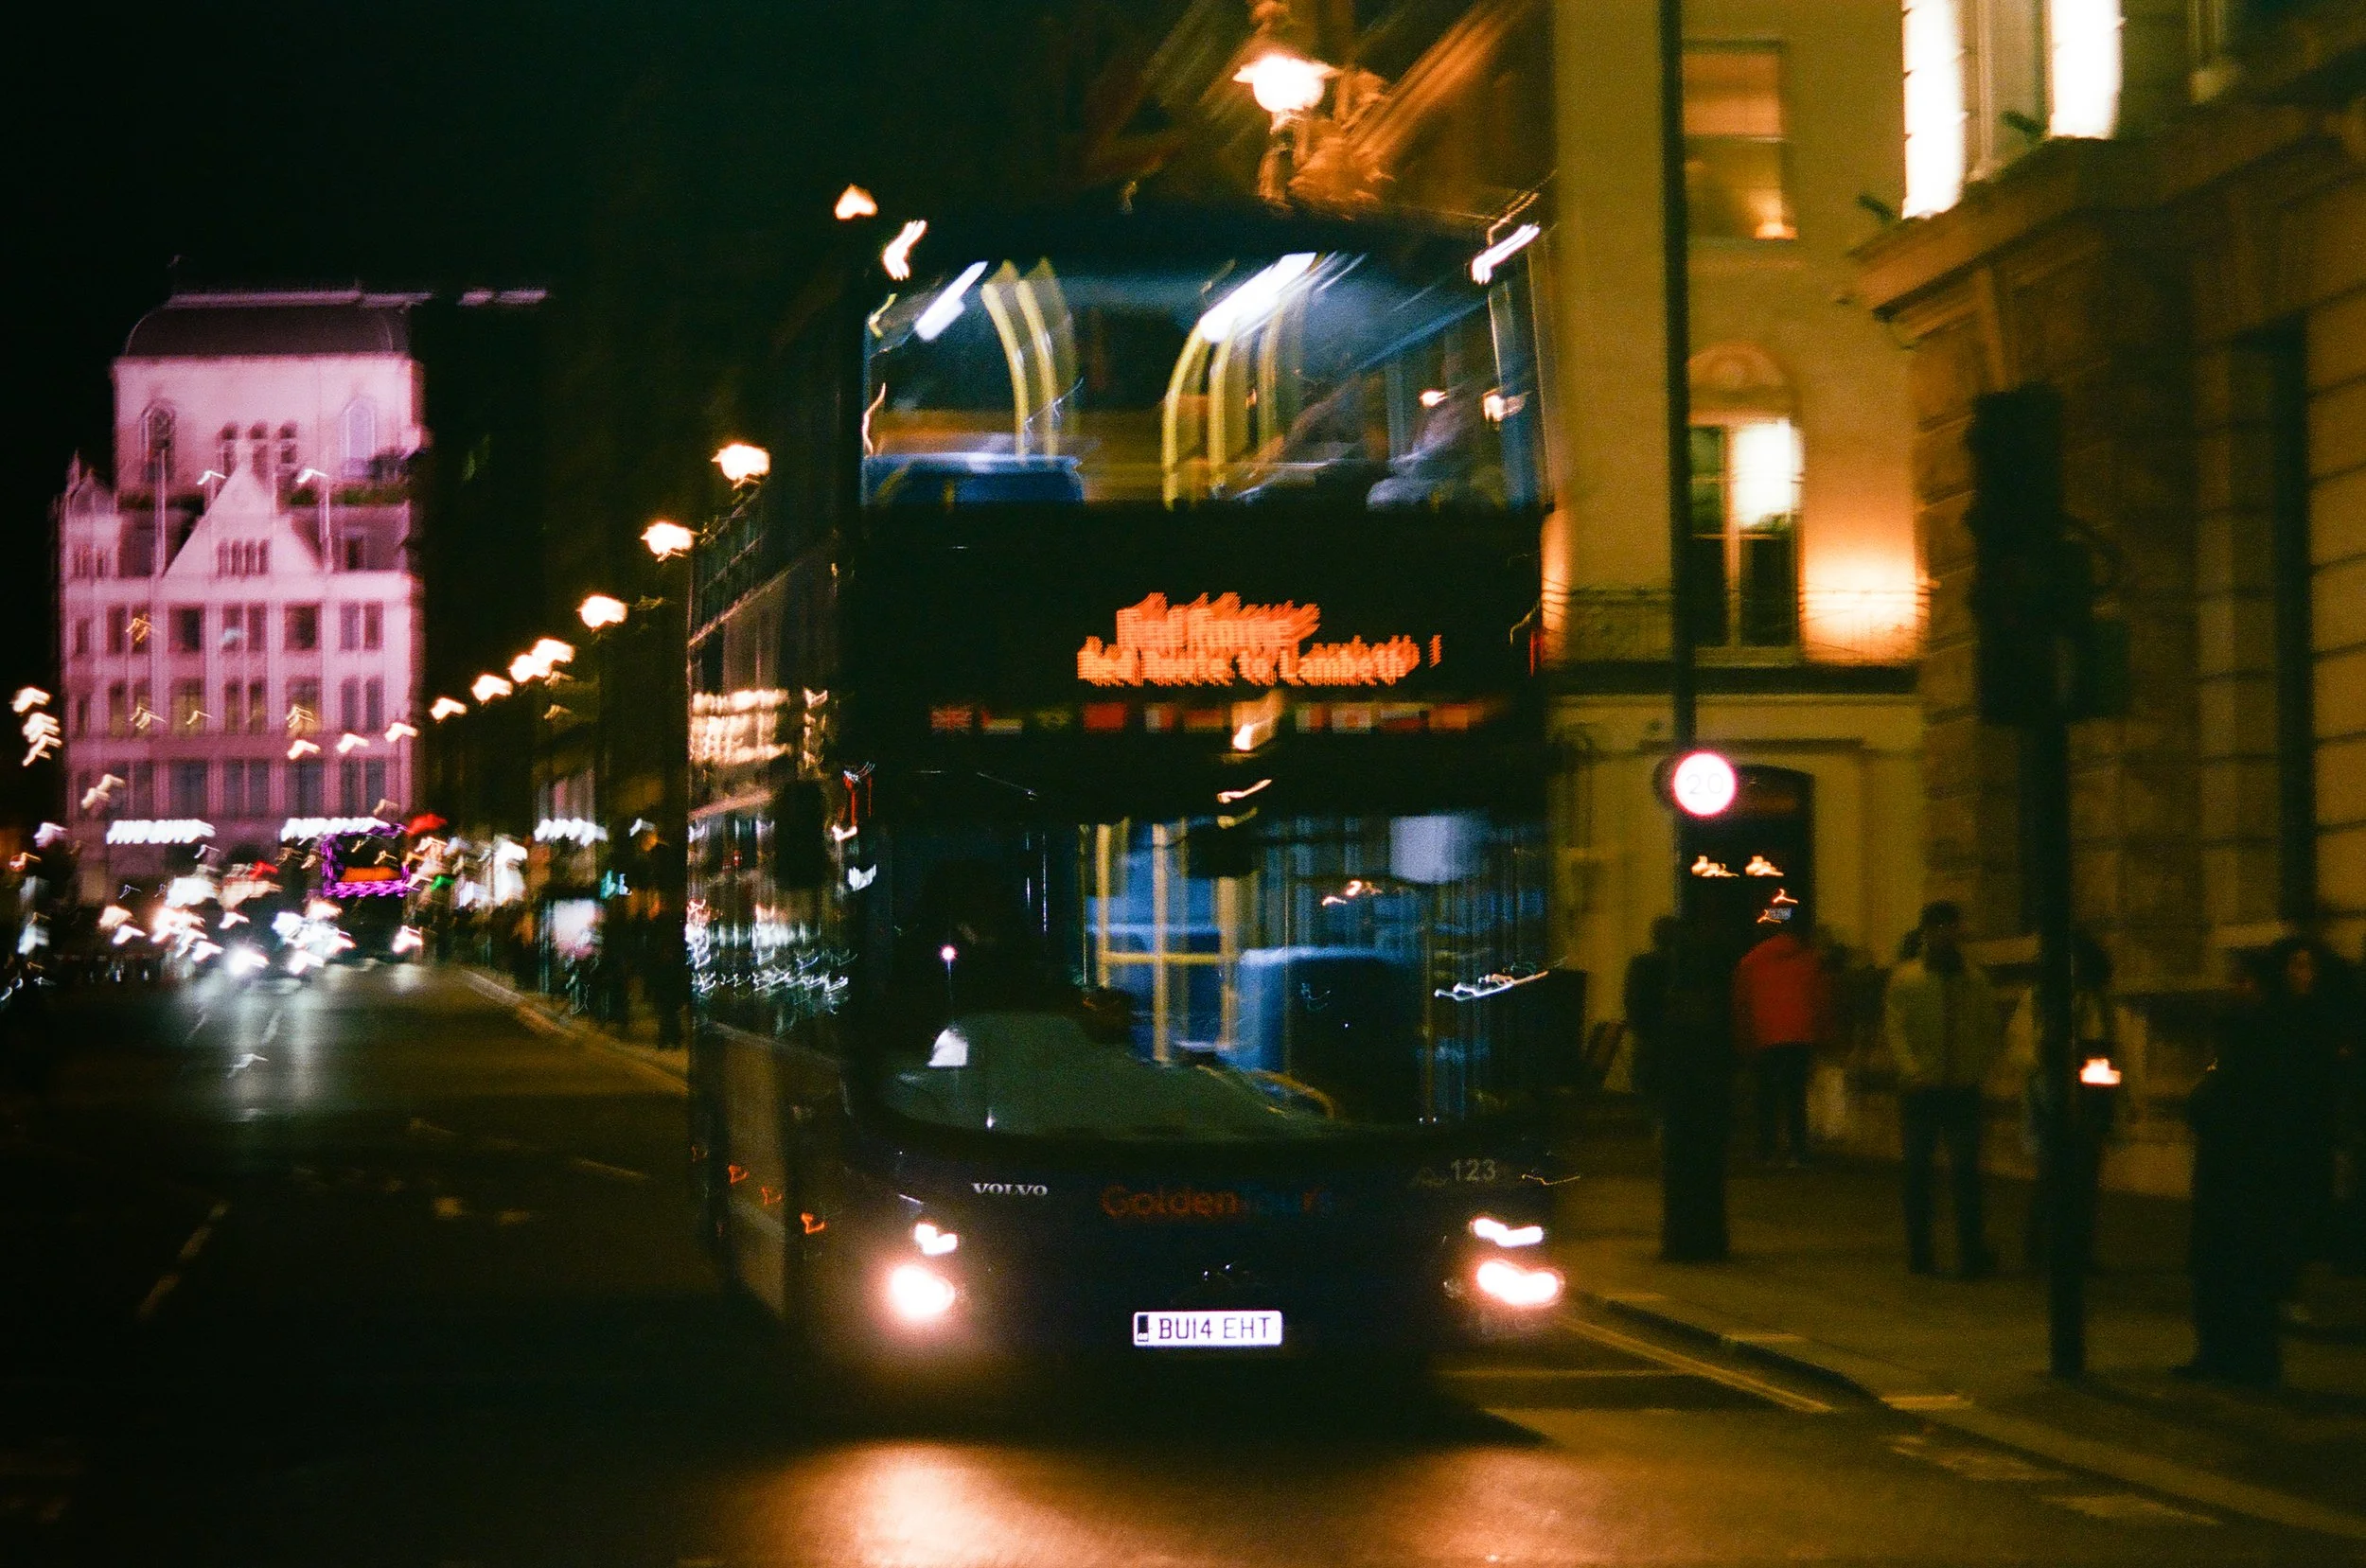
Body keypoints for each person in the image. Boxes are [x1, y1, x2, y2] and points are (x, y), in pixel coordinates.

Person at [2181, 951, 2293, 1385]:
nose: (2235, 988)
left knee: (2231, 1265)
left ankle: (2232, 1357)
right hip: (2243, 1170)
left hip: (2239, 1172)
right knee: (2234, 1267)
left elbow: (2220, 1100)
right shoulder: (2255, 1033)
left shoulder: (2253, 1037)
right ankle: (2235, 1355)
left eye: (2244, 982)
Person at [1883, 901, 2005, 1277]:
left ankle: (1966, 1250)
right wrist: (1913, 1071)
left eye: (1950, 927)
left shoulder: (1972, 979)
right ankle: (1924, 1251)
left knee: (1964, 1173)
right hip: (1924, 1088)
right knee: (1921, 1173)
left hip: (1959, 1086)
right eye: (1939, 927)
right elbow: (1896, 1030)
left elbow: (1988, 1029)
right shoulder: (1910, 980)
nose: (1946, 935)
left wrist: (1978, 1068)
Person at [2019, 931, 2120, 1275]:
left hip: (2088, 1095)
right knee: (2055, 1175)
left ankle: (2073, 1249)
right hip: (2059, 1094)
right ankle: (2047, 1247)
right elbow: (2028, 1049)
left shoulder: (2096, 1000)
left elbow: (2111, 1052)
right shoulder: (2043, 999)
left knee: (2082, 1179)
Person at [1657, 912, 1738, 1261]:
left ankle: (1682, 1240)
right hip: (1711, 1099)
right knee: (1708, 1171)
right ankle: (1709, 1239)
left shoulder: (1675, 1009)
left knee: (1681, 1172)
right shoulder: (1717, 1009)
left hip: (1682, 1104)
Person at [1731, 915, 1832, 1166]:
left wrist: (1743, 1041)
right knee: (1795, 1096)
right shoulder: (1809, 959)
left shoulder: (1750, 962)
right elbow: (1820, 1000)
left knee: (1766, 1096)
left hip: (1765, 1036)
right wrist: (1824, 1034)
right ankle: (1798, 1150)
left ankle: (1767, 1149)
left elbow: (1741, 1005)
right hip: (1800, 1036)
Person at [1622, 916, 1682, 1119]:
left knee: (1647, 1082)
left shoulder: (1641, 964)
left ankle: (1654, 1123)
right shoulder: (1680, 966)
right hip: (1673, 1034)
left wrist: (1637, 1025)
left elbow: (1631, 998)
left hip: (1647, 1032)